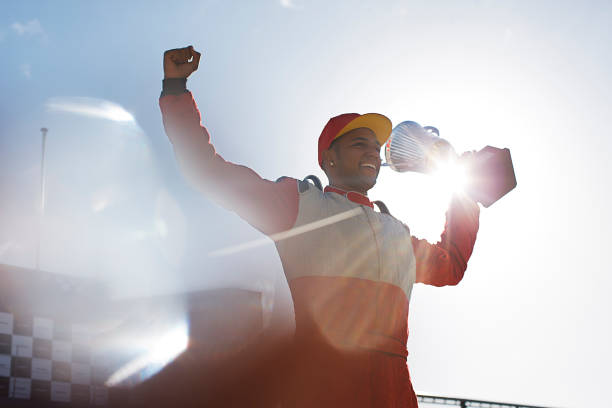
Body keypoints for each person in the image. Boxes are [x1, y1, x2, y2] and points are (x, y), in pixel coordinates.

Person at [158, 45, 480, 408]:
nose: (373, 153)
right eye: (360, 144)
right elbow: (208, 171)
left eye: (376, 148)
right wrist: (175, 89)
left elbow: (450, 265)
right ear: (329, 157)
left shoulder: (397, 234)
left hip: (395, 392)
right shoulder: (299, 205)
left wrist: (465, 189)